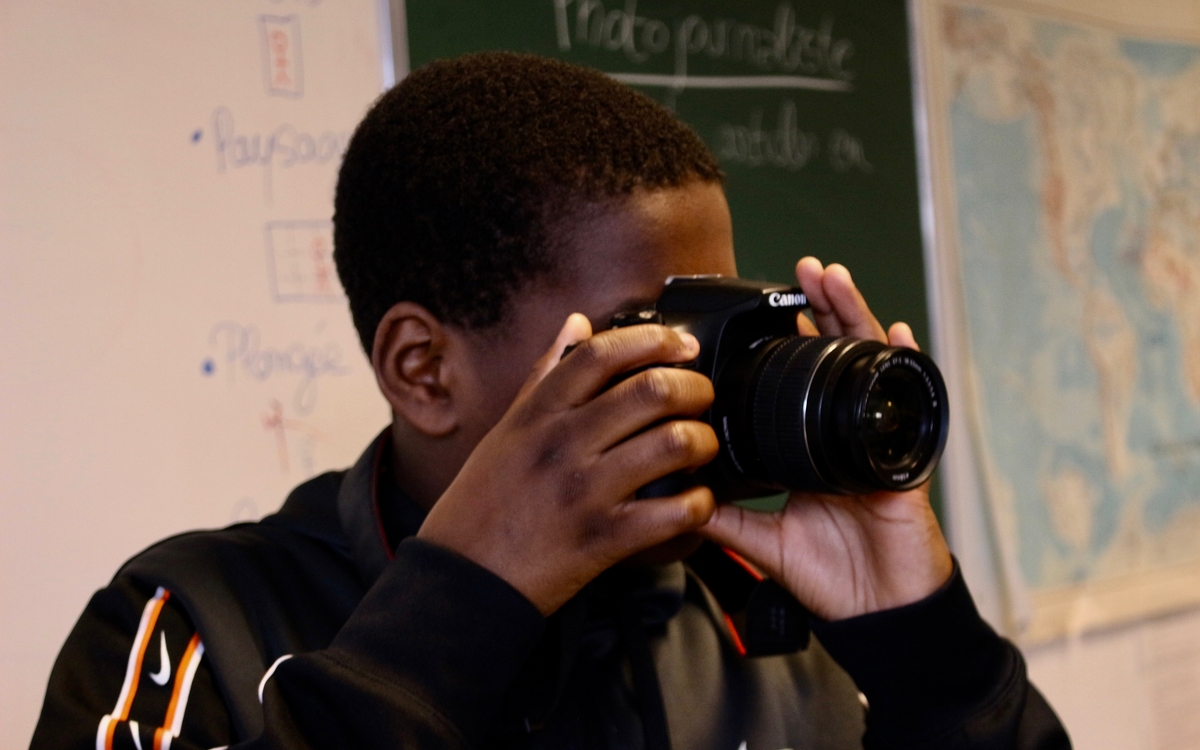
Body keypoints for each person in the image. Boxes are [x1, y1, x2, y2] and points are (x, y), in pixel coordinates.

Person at [30, 52, 1069, 750]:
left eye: (719, 324)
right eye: (647, 337)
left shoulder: (745, 626)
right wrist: (464, 605)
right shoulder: (191, 628)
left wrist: (930, 658)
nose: (704, 382)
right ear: (423, 369)